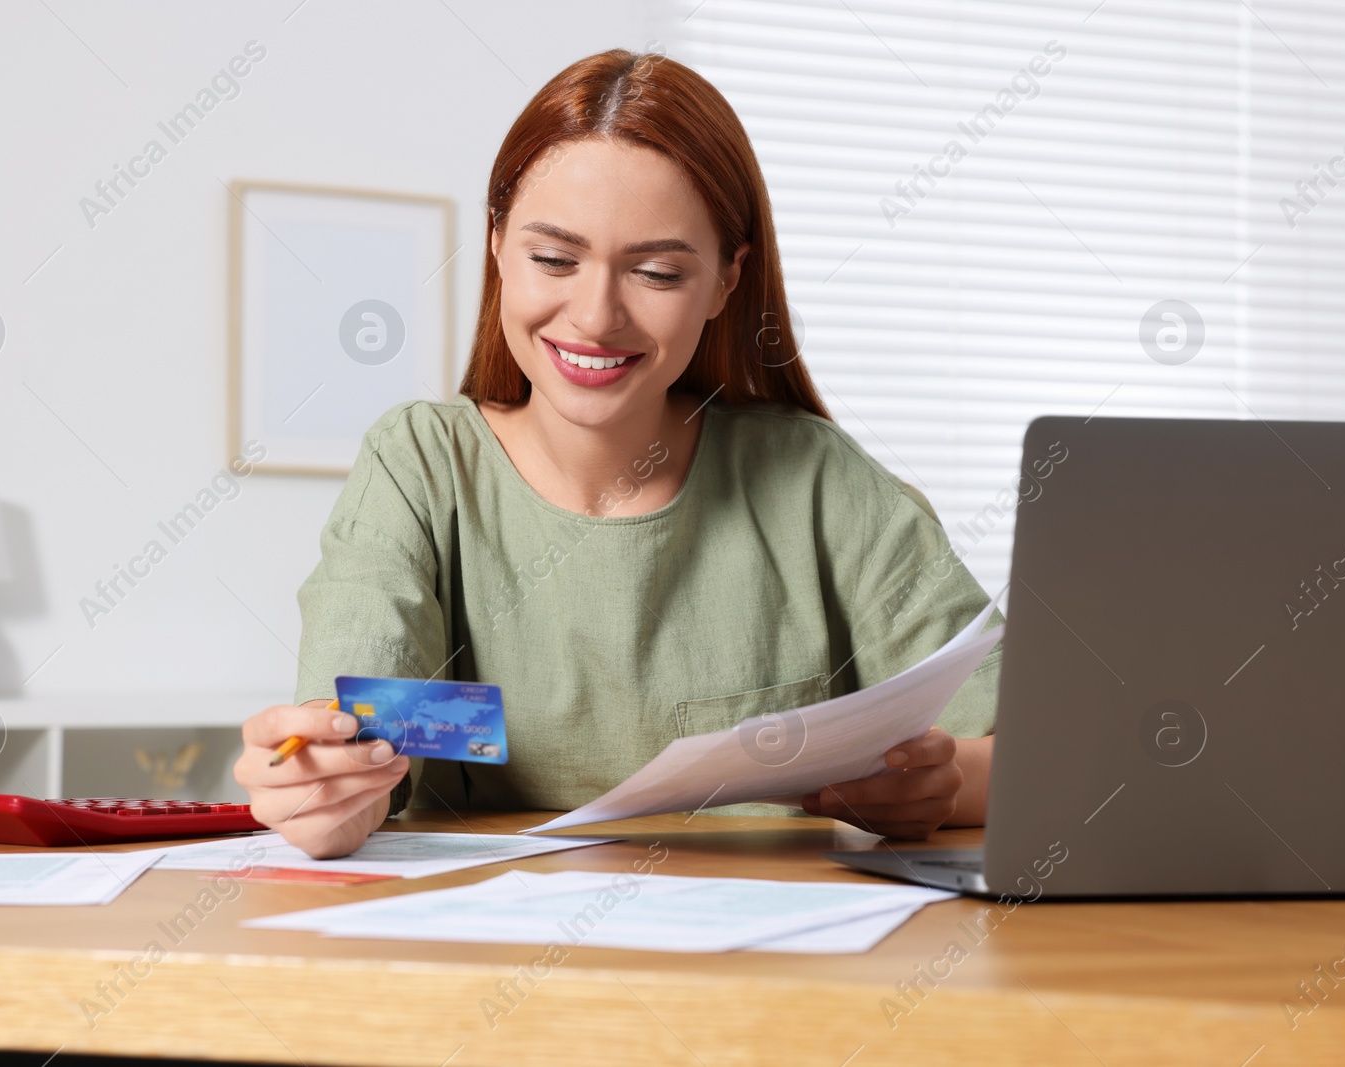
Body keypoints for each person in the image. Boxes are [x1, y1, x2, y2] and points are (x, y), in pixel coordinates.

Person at [234, 49, 1001, 859]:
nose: (596, 317)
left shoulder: (816, 482)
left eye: (659, 272)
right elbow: (349, 752)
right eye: (555, 259)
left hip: (773, 966)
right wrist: (325, 796)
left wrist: (944, 787)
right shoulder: (420, 466)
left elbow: (1031, 750)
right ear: (496, 245)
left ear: (726, 281)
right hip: (487, 960)